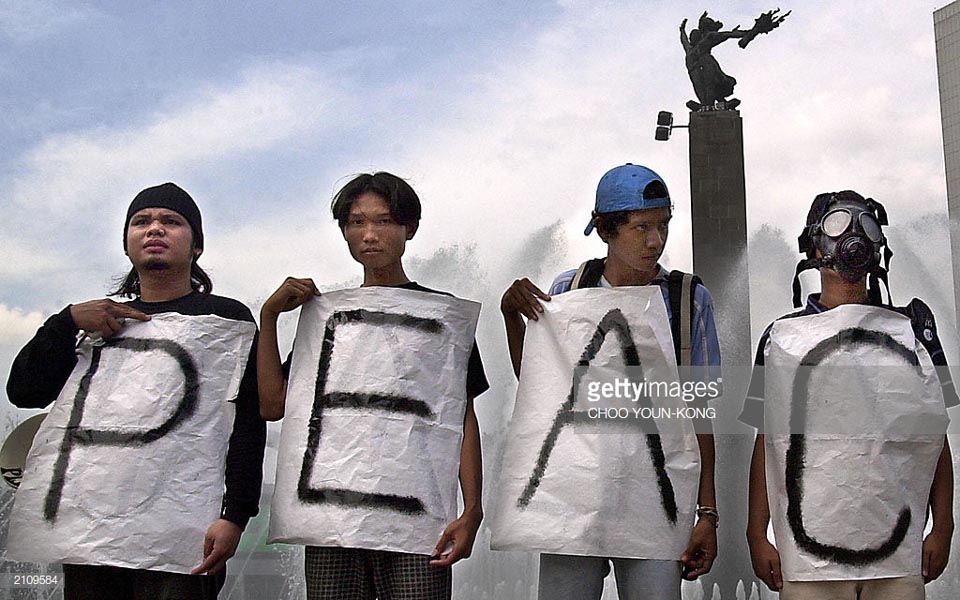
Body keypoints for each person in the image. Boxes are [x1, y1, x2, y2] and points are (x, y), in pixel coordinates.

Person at [6, 182, 266, 599]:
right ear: (127, 243)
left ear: (196, 246)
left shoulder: (226, 320)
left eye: (171, 221)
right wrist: (66, 321)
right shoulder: (97, 319)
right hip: (92, 533)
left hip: (182, 533)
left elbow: (248, 423)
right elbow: (24, 391)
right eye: (141, 221)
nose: (155, 229)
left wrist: (236, 514)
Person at [258, 171, 489, 600]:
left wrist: (472, 508)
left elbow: (462, 418)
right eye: (356, 222)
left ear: (409, 228)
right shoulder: (327, 318)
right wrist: (269, 317)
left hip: (417, 519)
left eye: (383, 221)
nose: (369, 234)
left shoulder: (442, 315)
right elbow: (272, 405)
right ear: (344, 231)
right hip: (332, 519)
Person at [500, 163, 720, 600]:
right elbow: (541, 387)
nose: (655, 240)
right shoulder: (569, 288)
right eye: (641, 228)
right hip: (575, 493)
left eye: (663, 225)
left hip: (656, 497)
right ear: (605, 230)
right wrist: (511, 317)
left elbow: (699, 411)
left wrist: (708, 513)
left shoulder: (688, 299)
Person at [743, 190, 957, 599]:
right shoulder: (781, 338)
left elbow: (934, 436)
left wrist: (943, 525)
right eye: (838, 225)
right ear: (814, 244)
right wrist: (757, 532)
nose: (852, 237)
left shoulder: (913, 329)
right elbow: (767, 442)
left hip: (896, 558)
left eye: (866, 226)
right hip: (810, 563)